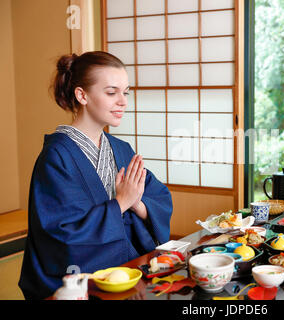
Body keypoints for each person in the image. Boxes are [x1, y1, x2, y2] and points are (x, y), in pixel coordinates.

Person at [19, 51, 173, 299]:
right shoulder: (56, 157)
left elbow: (159, 197)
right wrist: (121, 203)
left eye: (126, 92)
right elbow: (60, 233)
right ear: (82, 95)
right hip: (83, 281)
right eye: (112, 92)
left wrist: (137, 204)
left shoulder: (121, 149)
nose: (123, 101)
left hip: (128, 272)